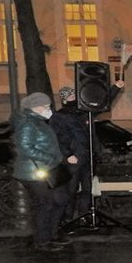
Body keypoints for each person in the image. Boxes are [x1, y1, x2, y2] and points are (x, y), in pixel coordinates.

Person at [13, 92, 69, 252]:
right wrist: (49, 158)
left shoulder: (39, 121)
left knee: (60, 199)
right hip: (34, 171)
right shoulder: (27, 123)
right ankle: (43, 241)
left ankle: (52, 235)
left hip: (48, 168)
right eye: (46, 106)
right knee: (44, 204)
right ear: (36, 107)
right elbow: (25, 148)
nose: (49, 109)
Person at [49, 86, 101, 226]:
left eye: (74, 96)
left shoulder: (84, 113)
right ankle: (68, 219)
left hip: (87, 158)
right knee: (70, 191)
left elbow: (101, 104)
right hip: (73, 160)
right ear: (64, 99)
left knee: (87, 190)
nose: (74, 99)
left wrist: (115, 88)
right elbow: (57, 138)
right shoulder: (59, 116)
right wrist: (68, 154)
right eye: (71, 96)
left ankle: (84, 216)